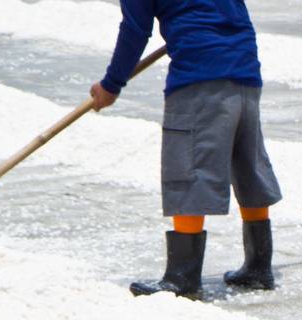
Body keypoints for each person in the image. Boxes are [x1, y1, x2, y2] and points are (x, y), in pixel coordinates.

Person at [90, 0, 282, 299]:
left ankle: (183, 278)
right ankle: (258, 267)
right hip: (245, 70)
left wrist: (111, 84)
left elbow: (134, 31)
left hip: (199, 76)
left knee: (188, 168)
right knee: (247, 163)